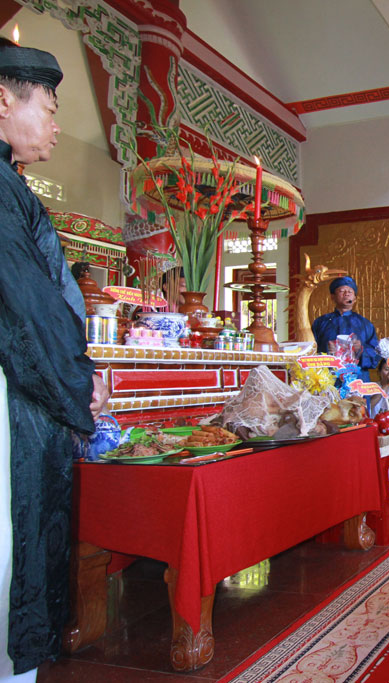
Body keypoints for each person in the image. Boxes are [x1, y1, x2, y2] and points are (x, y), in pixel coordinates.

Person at [0, 37, 110, 677]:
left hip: (31, 390)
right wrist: (80, 385)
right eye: (49, 106)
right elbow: (26, 311)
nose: (56, 126)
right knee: (14, 559)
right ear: (4, 99)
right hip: (14, 401)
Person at [311, 276, 380, 381]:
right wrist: (327, 351)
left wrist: (360, 349)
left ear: (355, 298)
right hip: (328, 379)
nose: (346, 294)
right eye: (342, 291)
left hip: (358, 380)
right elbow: (310, 351)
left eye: (350, 291)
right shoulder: (321, 322)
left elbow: (376, 353)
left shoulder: (365, 324)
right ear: (332, 297)